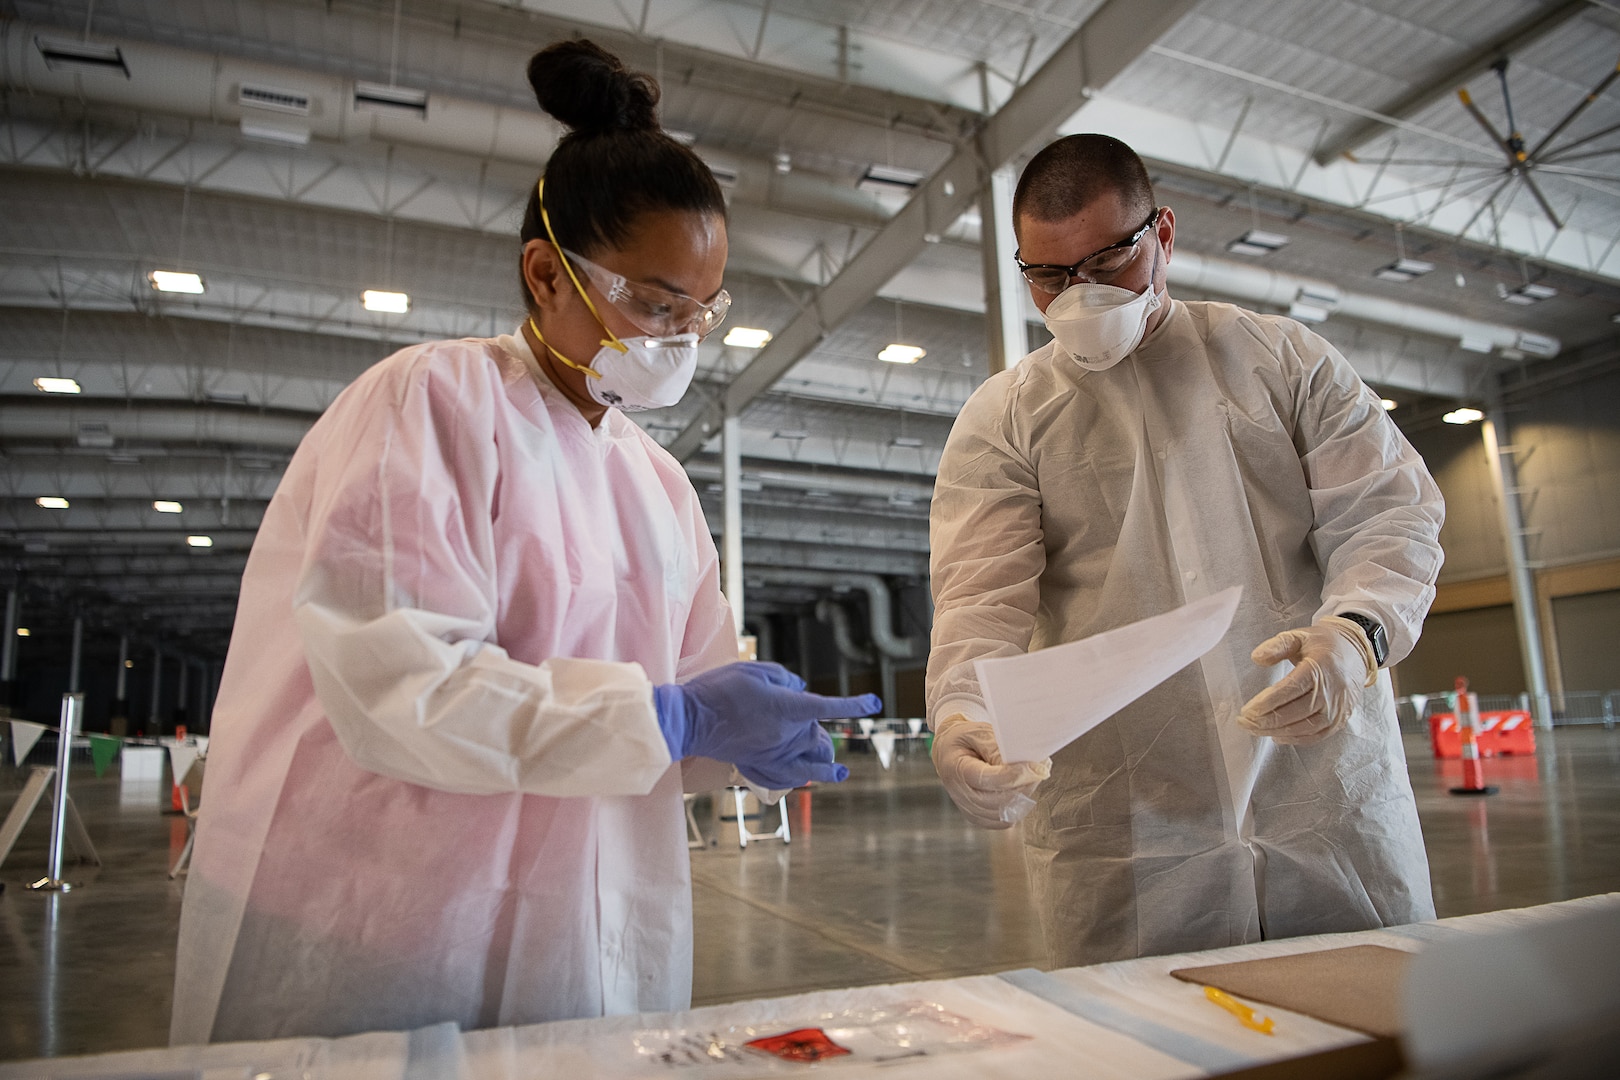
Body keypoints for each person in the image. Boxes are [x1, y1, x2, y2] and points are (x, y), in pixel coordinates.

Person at [170, 40, 879, 1044]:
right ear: (546, 273)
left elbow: (688, 698)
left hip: (581, 927)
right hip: (385, 918)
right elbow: (401, 690)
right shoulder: (428, 403)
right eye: (651, 302)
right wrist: (670, 722)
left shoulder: (660, 485)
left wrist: (741, 739)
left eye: (700, 314)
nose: (677, 342)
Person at [927, 134, 1444, 968]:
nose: (1078, 297)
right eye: (1049, 277)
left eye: (1105, 263)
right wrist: (962, 717)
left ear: (1163, 234)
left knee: (1367, 1029)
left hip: (1323, 802)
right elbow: (981, 598)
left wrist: (1354, 637)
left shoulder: (1282, 360)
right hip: (1130, 828)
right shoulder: (1006, 417)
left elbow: (1389, 515)